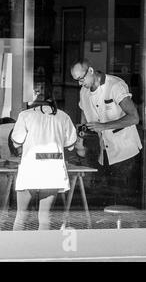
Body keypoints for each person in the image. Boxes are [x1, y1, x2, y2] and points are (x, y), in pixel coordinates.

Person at [70, 58, 142, 207]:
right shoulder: (84, 92)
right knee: (106, 199)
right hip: (103, 153)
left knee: (125, 201)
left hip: (125, 152)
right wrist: (82, 132)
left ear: (90, 71)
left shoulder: (115, 85)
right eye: (76, 80)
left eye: (80, 78)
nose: (79, 83)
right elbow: (84, 117)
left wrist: (103, 126)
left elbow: (134, 118)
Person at [11, 86, 77, 230]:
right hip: (53, 169)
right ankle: (42, 250)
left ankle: (15, 249)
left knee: (21, 215)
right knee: (45, 216)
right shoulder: (63, 116)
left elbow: (17, 141)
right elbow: (71, 144)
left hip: (31, 168)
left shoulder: (25, 115)